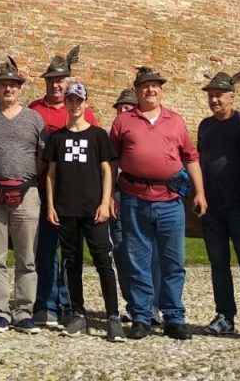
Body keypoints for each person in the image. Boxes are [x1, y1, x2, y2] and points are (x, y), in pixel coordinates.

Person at [109, 66, 206, 341]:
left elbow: (190, 157)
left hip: (170, 201)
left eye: (155, 86)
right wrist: (108, 196)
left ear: (161, 90)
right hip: (133, 198)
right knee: (136, 260)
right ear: (137, 90)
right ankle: (141, 316)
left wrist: (199, 192)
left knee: (173, 262)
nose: (150, 90)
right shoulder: (123, 121)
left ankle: (174, 317)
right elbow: (111, 161)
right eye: (144, 86)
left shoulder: (175, 120)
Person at [42, 81, 125, 342]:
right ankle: (78, 313)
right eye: (70, 100)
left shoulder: (98, 136)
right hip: (67, 210)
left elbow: (106, 171)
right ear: (65, 103)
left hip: (94, 210)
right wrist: (51, 205)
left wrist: (104, 202)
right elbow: (50, 175)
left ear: (85, 103)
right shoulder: (57, 138)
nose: (75, 105)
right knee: (71, 261)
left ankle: (113, 316)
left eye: (79, 100)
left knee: (103, 261)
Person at [0, 58, 45, 334]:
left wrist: (25, 180)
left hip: (27, 192)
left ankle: (24, 311)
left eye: (13, 85)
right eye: (3, 84)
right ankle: (1, 311)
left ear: (20, 88)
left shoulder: (34, 118)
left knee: (27, 257)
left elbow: (41, 156)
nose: (8, 89)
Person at [29, 48, 96, 327]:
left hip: (72, 193)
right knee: (45, 251)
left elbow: (93, 149)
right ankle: (46, 303)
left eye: (60, 80)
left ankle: (68, 304)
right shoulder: (34, 109)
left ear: (68, 82)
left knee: (70, 252)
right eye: (51, 80)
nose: (55, 84)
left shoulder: (83, 110)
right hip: (44, 190)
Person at [197, 71, 240, 337]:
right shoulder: (205, 126)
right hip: (213, 207)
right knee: (219, 263)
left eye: (219, 95)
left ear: (232, 97)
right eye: (211, 95)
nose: (214, 100)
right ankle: (225, 315)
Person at [106, 88, 145, 312]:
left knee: (143, 248)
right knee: (121, 248)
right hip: (118, 194)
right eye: (120, 107)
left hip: (138, 194)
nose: (122, 110)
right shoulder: (112, 135)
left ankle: (150, 304)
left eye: (127, 107)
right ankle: (133, 303)